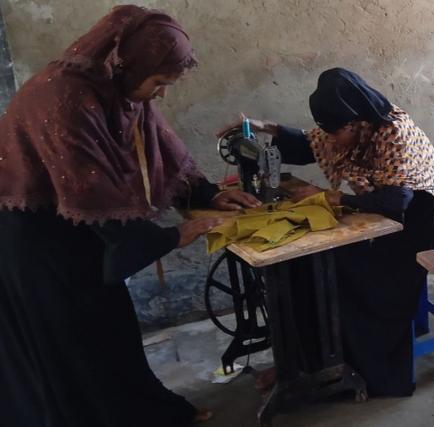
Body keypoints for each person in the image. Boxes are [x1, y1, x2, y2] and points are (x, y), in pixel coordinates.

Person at [0, 6, 260, 426]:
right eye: (159, 83)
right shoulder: (63, 98)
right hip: (36, 239)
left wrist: (209, 195)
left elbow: (164, 150)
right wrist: (173, 236)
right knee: (69, 340)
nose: (162, 94)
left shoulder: (116, 90)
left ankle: (138, 412)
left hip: (81, 230)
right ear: (129, 64)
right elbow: (90, 189)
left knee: (110, 330)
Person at [223, 67, 434, 396]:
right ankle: (304, 361)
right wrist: (262, 126)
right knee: (305, 265)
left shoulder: (393, 133)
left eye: (334, 132)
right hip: (383, 217)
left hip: (414, 228)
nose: (329, 140)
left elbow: (395, 201)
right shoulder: (354, 127)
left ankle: (359, 368)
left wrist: (334, 197)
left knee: (334, 272)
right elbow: (308, 144)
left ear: (356, 122)